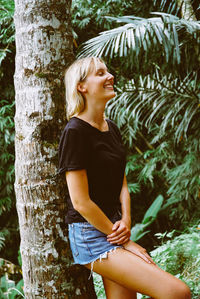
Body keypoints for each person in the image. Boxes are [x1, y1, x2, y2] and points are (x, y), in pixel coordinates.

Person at [58, 57, 191, 299]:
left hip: (116, 227)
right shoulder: (75, 132)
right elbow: (80, 202)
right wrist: (124, 241)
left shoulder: (111, 127)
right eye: (100, 73)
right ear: (82, 86)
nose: (109, 76)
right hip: (91, 235)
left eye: (107, 71)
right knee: (177, 293)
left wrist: (127, 221)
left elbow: (121, 181)